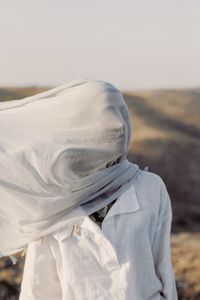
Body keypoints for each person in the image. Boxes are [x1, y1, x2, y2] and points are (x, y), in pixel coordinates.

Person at [0, 79, 178, 300]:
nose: (117, 128)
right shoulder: (54, 199)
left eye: (118, 116)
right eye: (104, 121)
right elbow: (39, 290)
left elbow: (163, 268)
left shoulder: (150, 186)